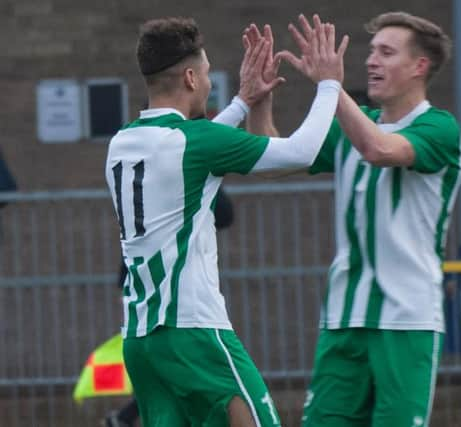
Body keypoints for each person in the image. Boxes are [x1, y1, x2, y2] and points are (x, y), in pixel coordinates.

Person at [104, 15, 348, 427]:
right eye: (205, 73)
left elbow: (188, 155)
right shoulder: (193, 143)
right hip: (194, 332)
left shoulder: (122, 141)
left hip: (141, 339)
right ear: (190, 78)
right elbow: (301, 152)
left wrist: (242, 103)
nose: (209, 82)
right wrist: (329, 84)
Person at [268, 11, 461, 427]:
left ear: (419, 67)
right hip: (343, 317)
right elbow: (275, 158)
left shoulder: (439, 127)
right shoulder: (352, 127)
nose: (371, 61)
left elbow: (379, 151)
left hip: (406, 319)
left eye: (386, 52)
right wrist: (257, 100)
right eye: (371, 51)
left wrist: (330, 87)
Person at [104, 186, 235, 427]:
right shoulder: (173, 173)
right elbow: (226, 214)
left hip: (148, 284)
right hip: (163, 290)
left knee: (165, 372)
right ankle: (127, 416)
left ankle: (126, 416)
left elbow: (226, 214)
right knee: (173, 369)